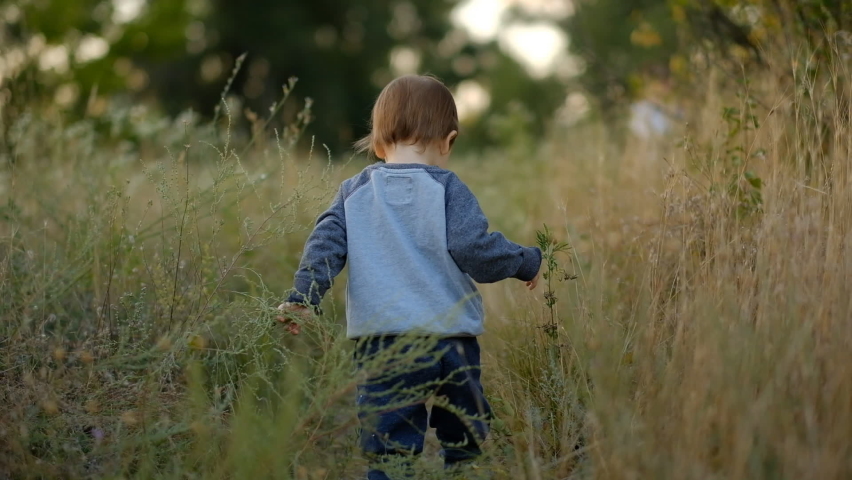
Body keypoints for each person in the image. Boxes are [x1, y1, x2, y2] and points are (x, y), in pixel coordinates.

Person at [278, 74, 541, 479]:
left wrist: (303, 298)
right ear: (448, 141)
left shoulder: (353, 192)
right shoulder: (449, 188)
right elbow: (475, 250)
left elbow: (324, 246)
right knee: (464, 437)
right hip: (451, 339)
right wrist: (525, 261)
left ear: (379, 142)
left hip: (383, 343)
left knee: (389, 448)